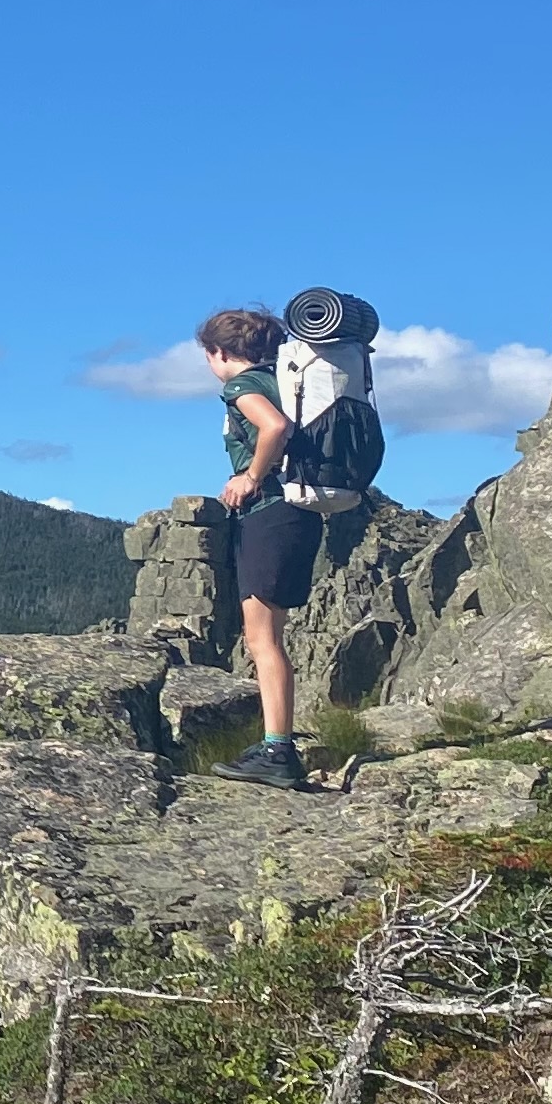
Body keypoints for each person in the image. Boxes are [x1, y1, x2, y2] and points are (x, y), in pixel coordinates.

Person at [200, 306, 325, 787]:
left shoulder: (243, 386)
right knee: (271, 636)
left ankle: (277, 753)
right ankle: (277, 743)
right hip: (301, 513)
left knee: (262, 640)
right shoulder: (288, 380)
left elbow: (273, 427)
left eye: (209, 354)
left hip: (268, 514)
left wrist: (249, 477)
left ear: (221, 352)